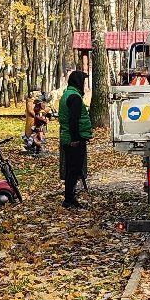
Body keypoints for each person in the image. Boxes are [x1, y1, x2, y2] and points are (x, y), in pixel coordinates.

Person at [58, 70, 93, 208]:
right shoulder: (75, 97)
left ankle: (70, 196)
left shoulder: (68, 94)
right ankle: (69, 199)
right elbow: (74, 120)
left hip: (68, 137)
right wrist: (75, 139)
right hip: (74, 140)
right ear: (78, 82)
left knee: (72, 169)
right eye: (83, 81)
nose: (84, 84)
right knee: (74, 169)